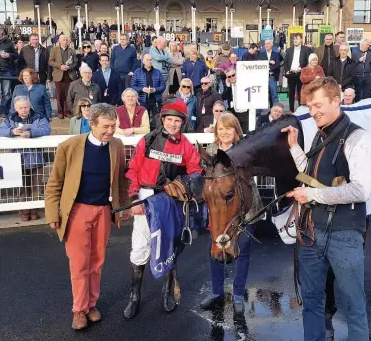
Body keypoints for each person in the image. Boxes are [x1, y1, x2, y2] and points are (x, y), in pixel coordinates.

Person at [281, 77, 371, 341]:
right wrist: (295, 148)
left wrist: (311, 194)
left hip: (344, 235)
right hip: (312, 233)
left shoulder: (358, 137)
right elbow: (309, 175)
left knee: (354, 305)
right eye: (310, 107)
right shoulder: (319, 136)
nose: (313, 112)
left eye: (318, 105)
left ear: (337, 101)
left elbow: (360, 190)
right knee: (311, 301)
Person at [45, 103, 129, 330]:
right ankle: (79, 310)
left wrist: (123, 207)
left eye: (113, 126)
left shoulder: (117, 146)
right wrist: (53, 213)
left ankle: (92, 305)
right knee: (79, 264)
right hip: (77, 211)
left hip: (103, 210)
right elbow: (54, 184)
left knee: (97, 262)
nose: (110, 131)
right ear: (91, 124)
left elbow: (121, 181)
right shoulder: (69, 146)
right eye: (105, 126)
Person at [123, 98, 202, 319]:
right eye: (170, 119)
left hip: (170, 200)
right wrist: (133, 198)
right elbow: (133, 170)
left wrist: (184, 183)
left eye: (177, 121)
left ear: (182, 122)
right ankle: (134, 296)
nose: (173, 124)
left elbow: (196, 172)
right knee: (140, 247)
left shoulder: (186, 145)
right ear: (163, 119)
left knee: (168, 245)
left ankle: (167, 292)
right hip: (146, 197)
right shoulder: (147, 140)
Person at [200, 112, 263, 315]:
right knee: (215, 251)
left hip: (245, 210)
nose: (225, 132)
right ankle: (217, 293)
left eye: (229, 128)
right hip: (220, 212)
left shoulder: (245, 150)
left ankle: (237, 295)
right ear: (216, 131)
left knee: (242, 252)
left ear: (236, 130)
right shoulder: (211, 150)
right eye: (221, 128)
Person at [0, 96, 51, 221]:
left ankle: (34, 210)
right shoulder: (10, 118)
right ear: (16, 108)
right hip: (17, 159)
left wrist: (31, 133)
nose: (24, 110)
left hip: (36, 158)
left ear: (29, 106)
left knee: (35, 186)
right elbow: (0, 130)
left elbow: (46, 129)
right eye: (21, 108)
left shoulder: (39, 116)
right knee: (21, 186)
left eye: (26, 107)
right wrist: (12, 131)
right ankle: (24, 211)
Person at [49, 34, 78, 119]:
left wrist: (69, 67)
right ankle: (60, 112)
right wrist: (60, 66)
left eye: (66, 40)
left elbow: (75, 62)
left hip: (69, 75)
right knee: (59, 94)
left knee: (68, 94)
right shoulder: (54, 50)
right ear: (59, 41)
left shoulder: (72, 51)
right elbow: (50, 61)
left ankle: (68, 111)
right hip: (58, 74)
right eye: (64, 40)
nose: (65, 41)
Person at [130, 53, 166, 118]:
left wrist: (155, 90)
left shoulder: (157, 72)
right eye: (147, 60)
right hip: (142, 100)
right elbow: (132, 86)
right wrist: (142, 89)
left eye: (151, 60)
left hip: (156, 100)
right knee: (144, 120)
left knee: (157, 120)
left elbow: (163, 86)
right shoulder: (137, 72)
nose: (150, 61)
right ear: (143, 61)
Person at [285, 33, 312, 112]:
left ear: (301, 40)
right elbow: (286, 62)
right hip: (291, 74)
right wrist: (287, 70)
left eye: (297, 39)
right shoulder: (289, 50)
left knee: (301, 92)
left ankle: (301, 109)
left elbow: (309, 61)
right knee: (291, 93)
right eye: (294, 39)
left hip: (301, 74)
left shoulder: (306, 49)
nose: (295, 41)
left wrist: (305, 70)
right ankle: (291, 109)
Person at [0, 24, 18, 117]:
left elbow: (16, 55)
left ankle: (3, 112)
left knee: (6, 93)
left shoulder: (8, 42)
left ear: (2, 31)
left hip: (5, 70)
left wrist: (9, 55)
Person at [259, 38, 281, 106]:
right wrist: (269, 63)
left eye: (268, 43)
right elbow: (259, 65)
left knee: (274, 94)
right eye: (265, 44)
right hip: (263, 77)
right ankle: (259, 112)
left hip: (272, 76)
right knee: (262, 94)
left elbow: (278, 65)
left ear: (271, 44)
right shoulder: (261, 54)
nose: (266, 45)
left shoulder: (276, 54)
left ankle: (274, 110)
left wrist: (269, 68)